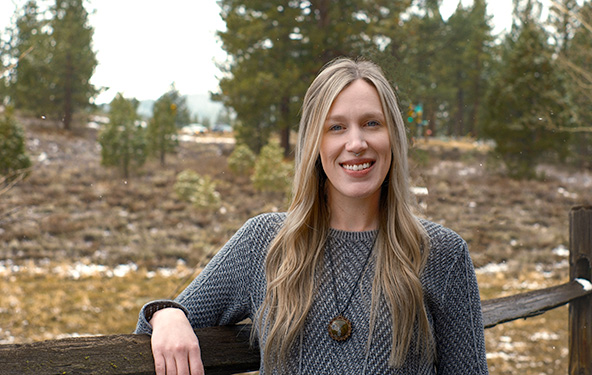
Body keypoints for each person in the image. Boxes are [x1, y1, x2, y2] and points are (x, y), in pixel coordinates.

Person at [135, 57, 488, 375]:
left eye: (371, 123)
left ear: (393, 136)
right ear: (314, 145)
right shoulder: (264, 243)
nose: (356, 143)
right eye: (336, 127)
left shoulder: (442, 254)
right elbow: (154, 327)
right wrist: (167, 314)